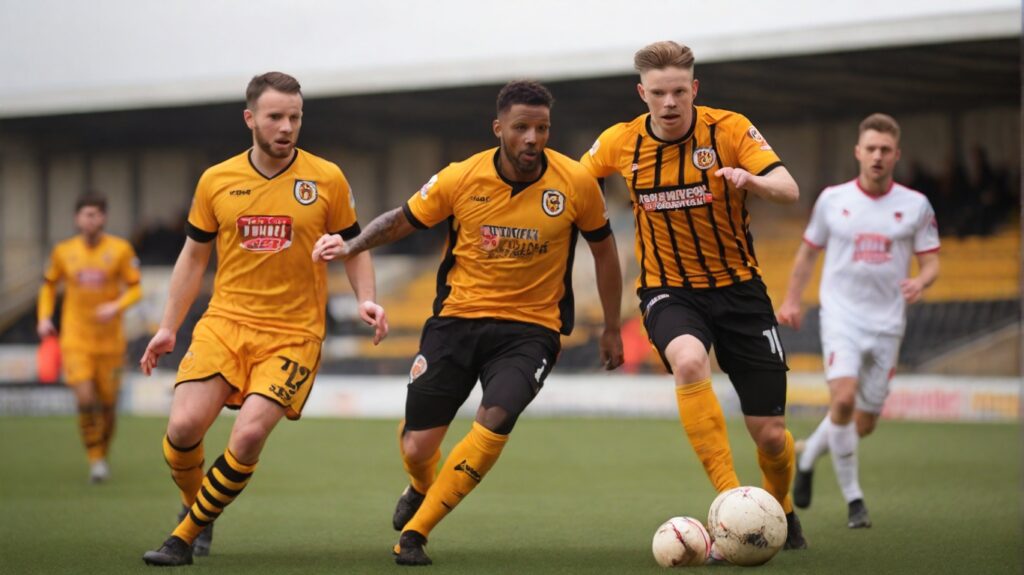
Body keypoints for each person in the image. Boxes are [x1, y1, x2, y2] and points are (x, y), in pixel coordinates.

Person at [312, 79, 625, 566]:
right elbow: (402, 219)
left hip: (531, 330)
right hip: (456, 323)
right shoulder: (461, 177)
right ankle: (420, 484)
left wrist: (609, 326)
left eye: (541, 128)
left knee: (495, 419)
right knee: (419, 447)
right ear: (498, 127)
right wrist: (351, 246)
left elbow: (604, 252)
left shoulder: (576, 182)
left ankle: (416, 533)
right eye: (521, 127)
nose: (532, 139)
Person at [138, 71, 388, 566]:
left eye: (294, 117)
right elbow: (193, 257)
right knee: (185, 427)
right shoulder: (216, 179)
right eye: (275, 116)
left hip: (293, 333)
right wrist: (168, 326)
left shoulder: (327, 178)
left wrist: (365, 297)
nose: (286, 126)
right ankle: (197, 509)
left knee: (248, 435)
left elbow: (354, 246)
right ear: (251, 119)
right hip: (225, 322)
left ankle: (183, 537)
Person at [579, 41, 807, 550]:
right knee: (687, 362)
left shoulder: (728, 129)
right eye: (658, 92)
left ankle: (782, 507)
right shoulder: (619, 142)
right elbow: (573, 178)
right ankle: (732, 505)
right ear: (642, 93)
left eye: (679, 90)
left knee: (770, 435)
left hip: (741, 292)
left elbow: (789, 188)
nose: (669, 102)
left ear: (694, 89)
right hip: (668, 289)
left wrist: (752, 179)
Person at [777, 113, 940, 529]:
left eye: (885, 150)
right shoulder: (833, 199)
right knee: (843, 401)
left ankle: (809, 454)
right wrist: (793, 299)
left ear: (897, 155)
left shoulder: (915, 206)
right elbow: (808, 252)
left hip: (887, 324)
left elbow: (932, 260)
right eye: (871, 148)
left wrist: (921, 280)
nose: (878, 156)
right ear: (858, 152)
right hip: (841, 318)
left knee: (862, 423)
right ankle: (855, 501)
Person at [37, 193, 142, 484]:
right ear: (76, 218)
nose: (90, 219)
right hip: (76, 340)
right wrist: (44, 317)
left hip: (111, 343)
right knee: (85, 399)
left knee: (108, 405)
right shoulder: (63, 252)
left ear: (104, 217)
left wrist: (116, 306)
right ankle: (95, 458)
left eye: (96, 214)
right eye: (85, 214)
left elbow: (136, 289)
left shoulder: (120, 250)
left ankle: (102, 454)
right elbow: (48, 287)